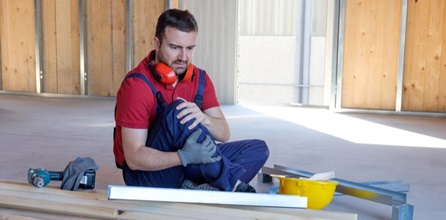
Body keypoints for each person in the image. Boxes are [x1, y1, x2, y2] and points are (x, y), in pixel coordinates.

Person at [113, 9, 269, 192]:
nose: (183, 57)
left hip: (189, 166)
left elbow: (224, 134)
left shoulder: (200, 79)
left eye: (189, 48)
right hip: (147, 176)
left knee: (258, 149)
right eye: (175, 47)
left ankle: (198, 187)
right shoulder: (137, 86)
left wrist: (203, 118)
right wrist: (183, 157)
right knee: (178, 111)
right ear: (157, 43)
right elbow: (134, 158)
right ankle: (228, 184)